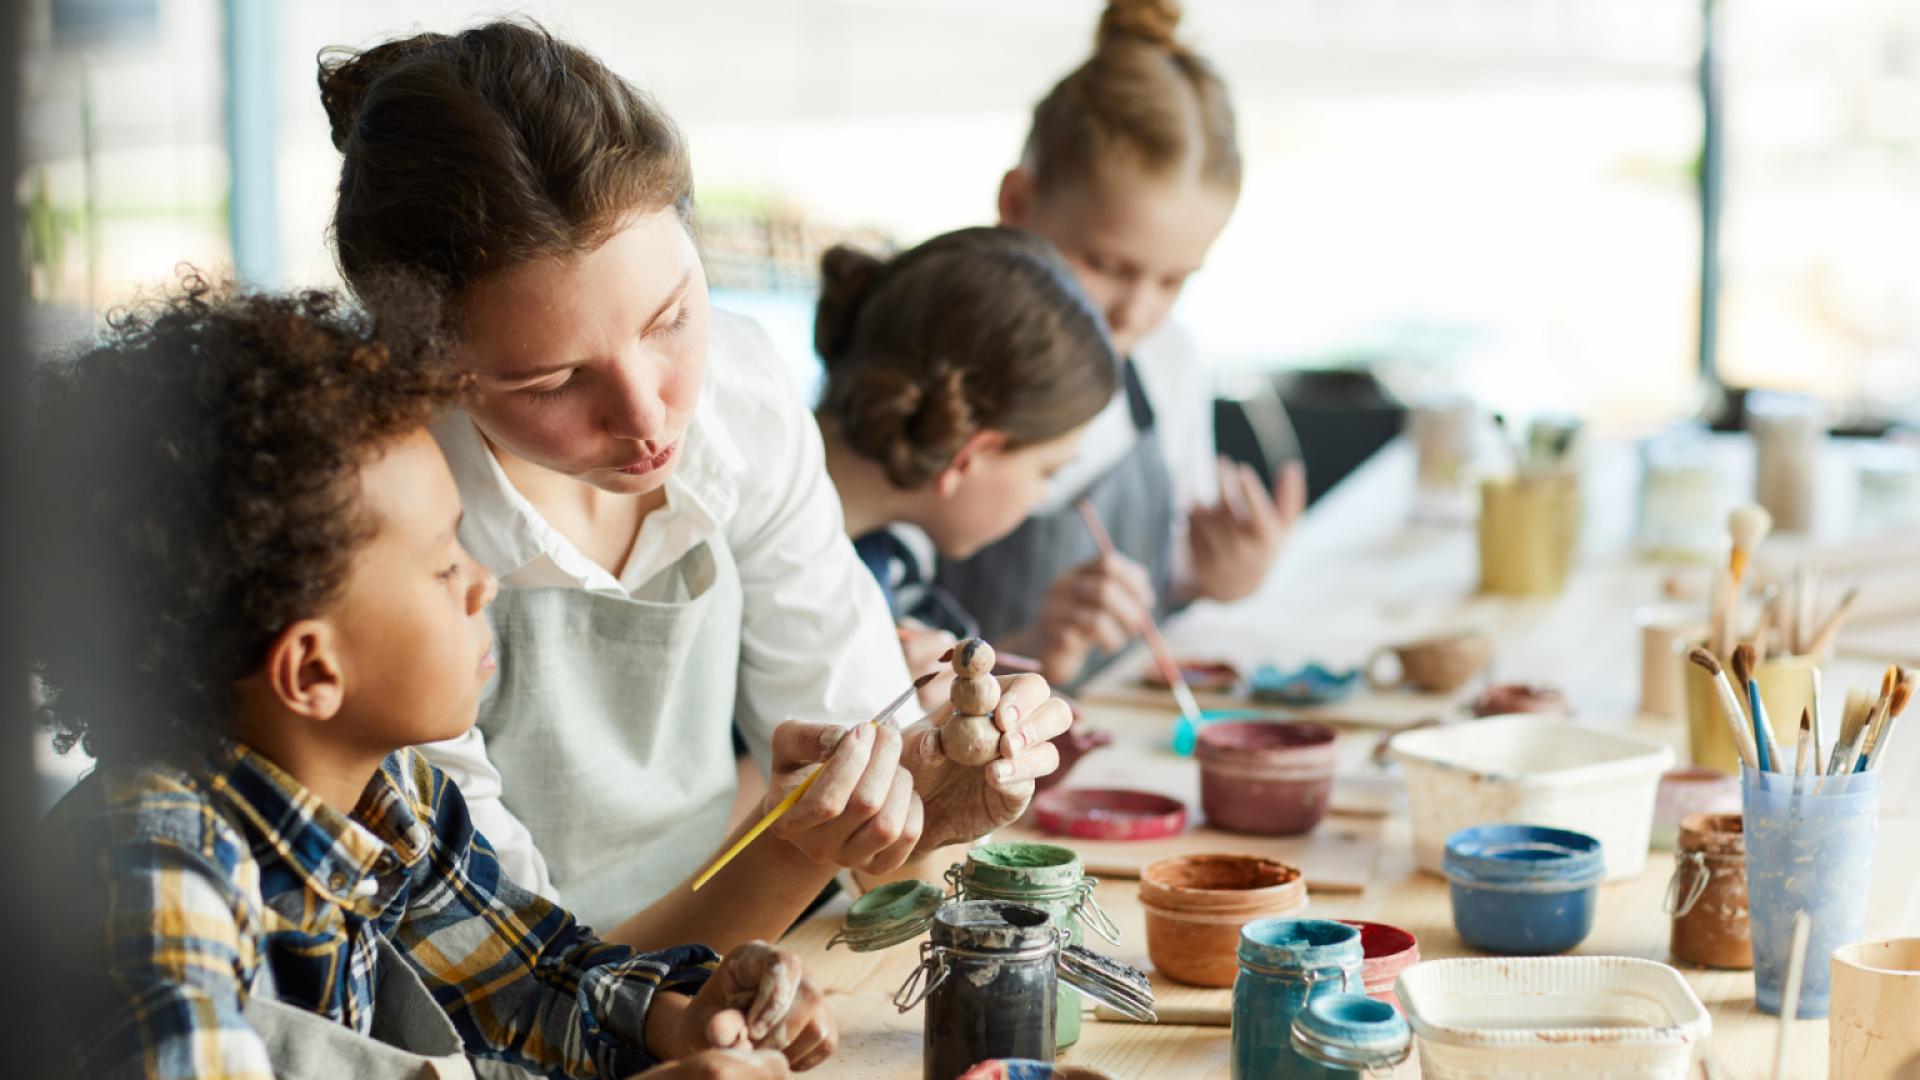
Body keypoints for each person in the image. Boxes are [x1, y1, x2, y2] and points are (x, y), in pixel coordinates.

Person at [318, 21, 1073, 952]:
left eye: (673, 317)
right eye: (553, 382)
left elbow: (872, 818)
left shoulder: (741, 398)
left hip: (718, 966)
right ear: (424, 367)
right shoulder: (376, 521)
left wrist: (927, 797)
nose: (650, 416)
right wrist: (799, 846)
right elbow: (508, 983)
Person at [30, 277, 831, 1079]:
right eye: (444, 564)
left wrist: (681, 1021)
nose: (482, 582)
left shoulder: (388, 795)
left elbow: (530, 985)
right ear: (313, 670)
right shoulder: (151, 876)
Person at [935, 0, 1307, 687]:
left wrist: (1218, 576)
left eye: (1173, 279)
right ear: (1017, 204)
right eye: (1106, 266)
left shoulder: (1167, 360)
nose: (1137, 311)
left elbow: (1164, 573)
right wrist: (1032, 644)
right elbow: (858, 648)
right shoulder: (929, 367)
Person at [813, 226, 1118, 703]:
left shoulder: (883, 559)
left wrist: (1033, 647)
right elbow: (691, 778)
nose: (1044, 496)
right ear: (971, 455)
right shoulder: (753, 554)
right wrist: (883, 713)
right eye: (1047, 472)